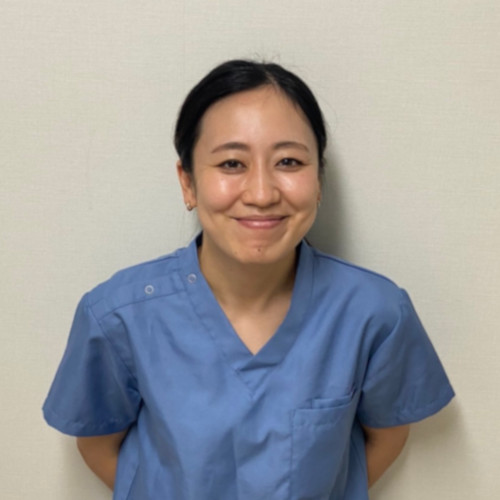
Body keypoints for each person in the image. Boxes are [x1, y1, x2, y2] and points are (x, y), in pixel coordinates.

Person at [43, 59, 454, 500]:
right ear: (188, 183)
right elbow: (97, 443)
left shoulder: (375, 313)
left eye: (289, 161)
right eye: (232, 163)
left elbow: (387, 436)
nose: (261, 194)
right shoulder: (117, 316)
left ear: (318, 181)